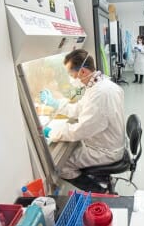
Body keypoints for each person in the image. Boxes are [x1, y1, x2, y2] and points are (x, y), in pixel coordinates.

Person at [39, 49, 125, 192]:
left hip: (105, 151)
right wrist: (55, 103)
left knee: (61, 165)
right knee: (71, 152)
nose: (71, 78)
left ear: (83, 72)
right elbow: (79, 109)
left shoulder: (100, 94)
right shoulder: (99, 85)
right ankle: (99, 178)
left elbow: (80, 130)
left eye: (71, 74)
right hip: (108, 143)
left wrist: (52, 132)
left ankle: (100, 192)